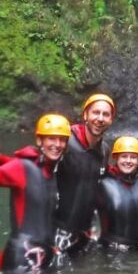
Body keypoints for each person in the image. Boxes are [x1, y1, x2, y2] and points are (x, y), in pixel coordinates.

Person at [0, 113, 71, 274]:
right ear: (39, 141)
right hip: (23, 256)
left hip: (43, 255)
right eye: (51, 138)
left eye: (62, 140)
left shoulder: (51, 171)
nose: (57, 144)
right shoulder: (23, 167)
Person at [54, 93, 116, 255]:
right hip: (57, 231)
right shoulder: (65, 142)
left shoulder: (105, 150)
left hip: (85, 233)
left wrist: (136, 180)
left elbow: (102, 184)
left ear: (111, 120)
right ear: (85, 115)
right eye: (96, 112)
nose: (100, 118)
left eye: (106, 114)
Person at [96, 136, 138, 250]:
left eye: (133, 157)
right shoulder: (102, 184)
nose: (128, 161)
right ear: (115, 158)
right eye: (124, 156)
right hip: (111, 252)